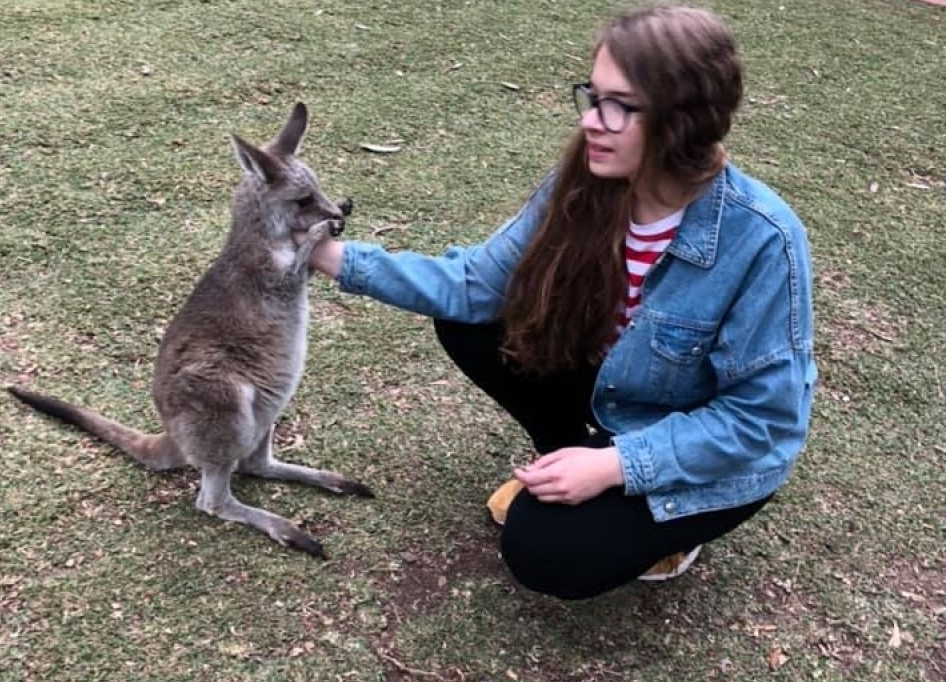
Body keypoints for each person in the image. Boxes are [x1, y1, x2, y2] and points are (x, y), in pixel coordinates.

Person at [304, 4, 816, 600]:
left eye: (619, 105)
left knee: (543, 551)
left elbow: (763, 421)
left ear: (687, 120)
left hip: (704, 450)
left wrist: (613, 465)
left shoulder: (762, 239)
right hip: (618, 389)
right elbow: (473, 285)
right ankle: (567, 457)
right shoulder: (586, 182)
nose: (593, 122)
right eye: (592, 96)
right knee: (471, 323)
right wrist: (325, 255)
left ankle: (657, 520)